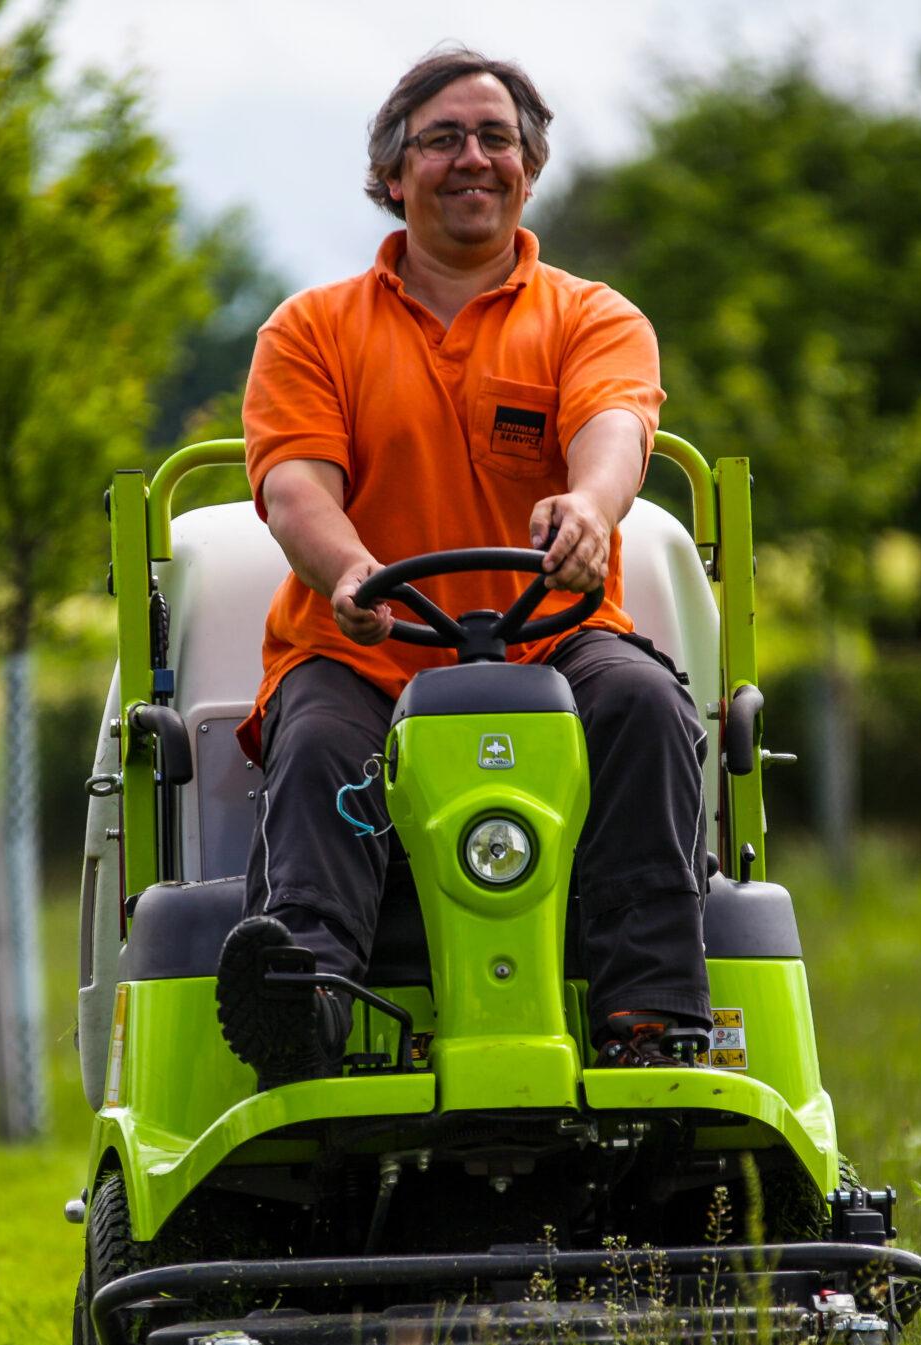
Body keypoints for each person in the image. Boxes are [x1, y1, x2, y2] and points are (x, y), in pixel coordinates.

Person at [218, 47, 711, 1085]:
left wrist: (588, 506)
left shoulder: (591, 318)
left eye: (495, 139)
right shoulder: (310, 330)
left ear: (528, 169)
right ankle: (303, 1006)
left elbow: (615, 430)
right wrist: (351, 574)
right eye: (442, 139)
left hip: (556, 641)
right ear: (394, 175)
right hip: (368, 653)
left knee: (646, 706)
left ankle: (652, 1017)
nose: (472, 159)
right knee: (314, 744)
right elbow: (298, 488)